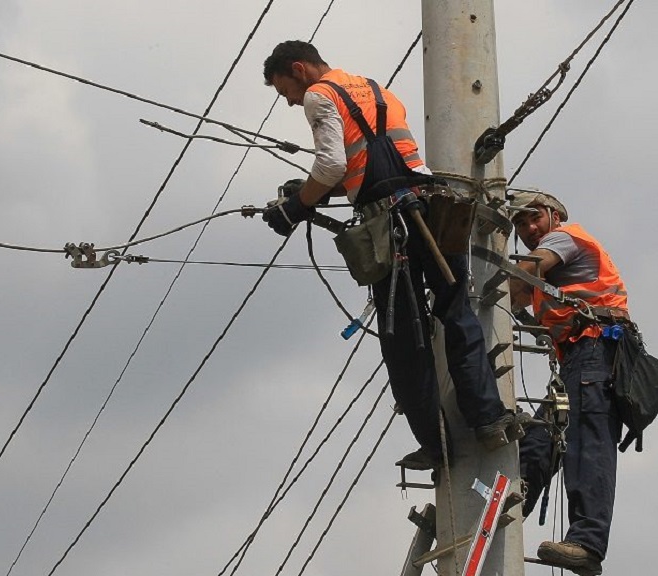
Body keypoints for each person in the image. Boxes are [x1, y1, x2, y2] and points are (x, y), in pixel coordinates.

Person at [260, 40, 528, 471]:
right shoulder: (374, 88)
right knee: (457, 313)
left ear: (299, 69)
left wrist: (296, 207)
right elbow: (366, 159)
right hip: (433, 211)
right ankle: (490, 419)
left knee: (405, 339)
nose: (290, 102)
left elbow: (329, 166)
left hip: (392, 227)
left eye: (284, 90)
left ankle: (437, 445)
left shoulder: (318, 95)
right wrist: (312, 194)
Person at [507, 190, 630, 576]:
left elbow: (523, 276)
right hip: (577, 359)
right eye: (519, 224)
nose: (528, 228)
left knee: (587, 442)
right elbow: (512, 299)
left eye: (534, 218)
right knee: (539, 444)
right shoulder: (548, 266)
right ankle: (503, 516)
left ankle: (587, 543)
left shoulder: (562, 239)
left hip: (596, 349)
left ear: (554, 215)